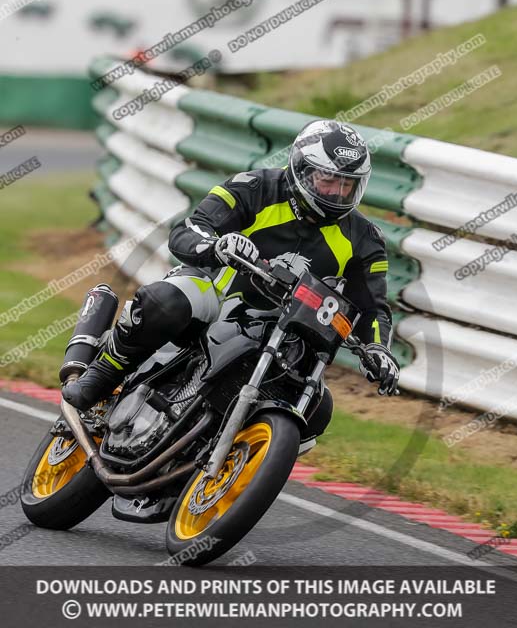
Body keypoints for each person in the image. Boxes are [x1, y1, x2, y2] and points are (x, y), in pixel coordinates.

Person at [62, 119, 400, 446]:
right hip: (215, 297)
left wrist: (378, 348)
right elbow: (188, 229)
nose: (338, 192)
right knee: (167, 301)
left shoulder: (366, 239)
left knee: (318, 408)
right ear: (303, 169)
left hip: (280, 331)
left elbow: (373, 308)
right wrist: (216, 246)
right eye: (329, 180)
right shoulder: (254, 187)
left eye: (348, 185)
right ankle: (103, 375)